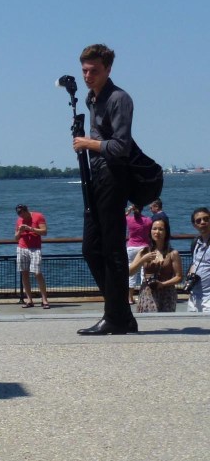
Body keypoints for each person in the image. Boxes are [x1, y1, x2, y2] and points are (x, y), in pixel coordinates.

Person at [72, 43, 139, 335]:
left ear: (108, 69)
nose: (88, 76)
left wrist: (88, 143)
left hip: (115, 176)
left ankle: (115, 316)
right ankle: (120, 313)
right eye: (85, 71)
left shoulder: (119, 99)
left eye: (94, 71)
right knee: (90, 248)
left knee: (112, 249)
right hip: (96, 176)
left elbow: (122, 146)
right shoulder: (91, 98)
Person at [128, 217, 181, 313]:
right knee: (148, 320)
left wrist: (163, 284)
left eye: (161, 229)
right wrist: (143, 260)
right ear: (150, 231)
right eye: (154, 229)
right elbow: (130, 272)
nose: (157, 232)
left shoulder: (173, 253)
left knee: (166, 320)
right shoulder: (144, 251)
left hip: (167, 293)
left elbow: (179, 277)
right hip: (147, 293)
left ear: (166, 232)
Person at [14, 203, 50, 309]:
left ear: (27, 211)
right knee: (24, 273)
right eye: (19, 214)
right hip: (22, 248)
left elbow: (44, 232)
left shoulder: (38, 216)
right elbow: (16, 238)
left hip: (35, 248)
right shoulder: (19, 220)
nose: (21, 216)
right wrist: (20, 231)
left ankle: (44, 300)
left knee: (37, 273)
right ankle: (29, 300)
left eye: (22, 213)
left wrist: (30, 229)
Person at [125, 204, 154, 305]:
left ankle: (129, 298)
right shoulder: (148, 220)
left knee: (131, 273)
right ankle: (143, 296)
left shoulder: (129, 219)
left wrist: (128, 211)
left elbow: (120, 218)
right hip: (144, 247)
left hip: (131, 247)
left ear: (133, 210)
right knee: (144, 273)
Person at [185, 206, 210, 312]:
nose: (202, 222)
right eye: (198, 220)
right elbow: (195, 263)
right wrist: (189, 276)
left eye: (206, 219)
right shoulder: (196, 243)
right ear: (194, 225)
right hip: (194, 298)